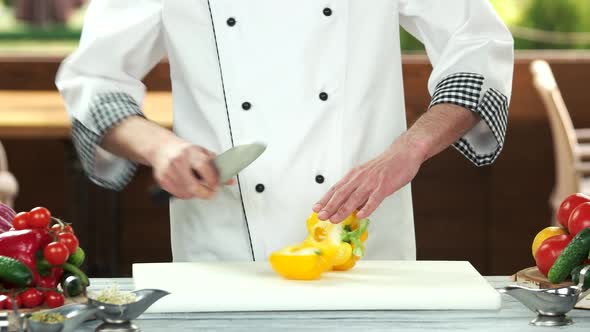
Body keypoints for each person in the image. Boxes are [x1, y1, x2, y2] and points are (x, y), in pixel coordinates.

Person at [56, 0, 514, 262]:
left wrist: (411, 148)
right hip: (225, 250)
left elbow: (479, 49)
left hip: (364, 245)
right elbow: (95, 80)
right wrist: (161, 148)